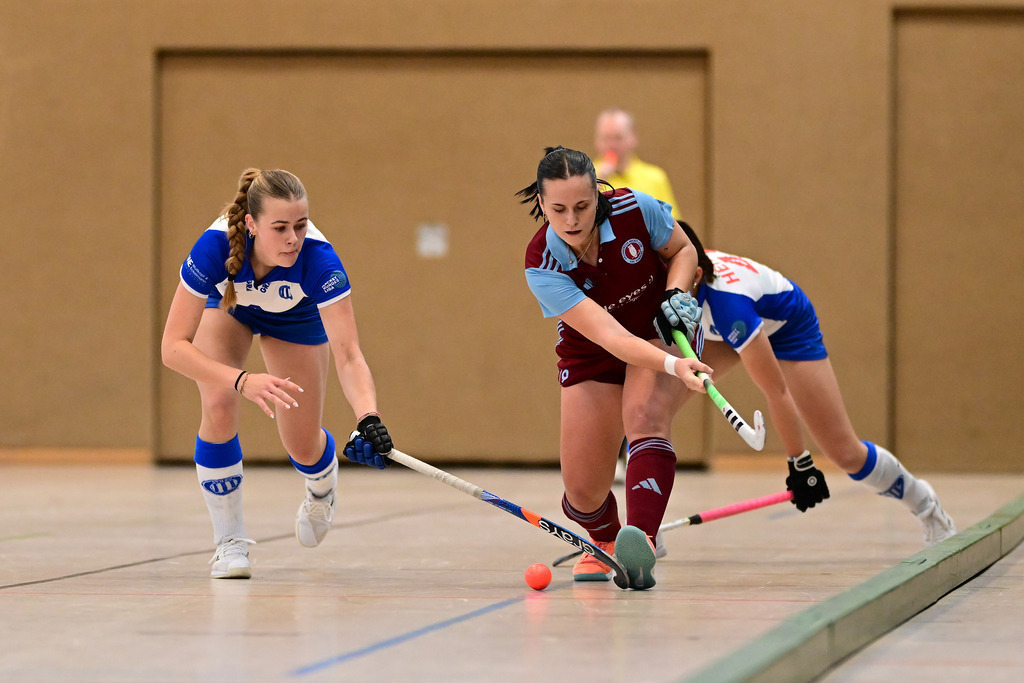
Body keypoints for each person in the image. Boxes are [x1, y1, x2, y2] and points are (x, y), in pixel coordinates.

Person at [161, 168, 395, 579]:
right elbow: (172, 348)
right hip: (229, 306)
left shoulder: (320, 262)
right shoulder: (214, 247)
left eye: (301, 225)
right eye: (281, 228)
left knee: (302, 446)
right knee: (218, 402)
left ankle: (321, 484)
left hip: (296, 317)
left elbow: (349, 355)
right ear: (251, 224)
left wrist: (368, 416)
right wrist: (242, 380)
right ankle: (230, 541)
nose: (293, 239)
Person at [674, 222, 957, 546]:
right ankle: (647, 526)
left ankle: (924, 503)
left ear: (695, 275)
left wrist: (799, 462)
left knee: (845, 453)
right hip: (731, 323)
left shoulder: (729, 305)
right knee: (658, 406)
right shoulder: (671, 276)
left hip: (786, 328)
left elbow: (776, 390)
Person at [518, 146, 712, 590]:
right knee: (582, 493)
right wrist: (673, 365)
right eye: (559, 209)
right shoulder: (542, 262)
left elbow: (684, 250)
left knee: (644, 416)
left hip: (659, 328)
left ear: (598, 196)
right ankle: (607, 542)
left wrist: (676, 294)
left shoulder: (636, 209)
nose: (572, 220)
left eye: (583, 206)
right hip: (595, 350)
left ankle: (640, 545)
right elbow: (612, 339)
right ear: (542, 203)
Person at [594, 108, 682, 221]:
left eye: (618, 138)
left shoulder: (654, 178)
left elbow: (672, 222)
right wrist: (596, 183)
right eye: (606, 138)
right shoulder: (586, 177)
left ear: (633, 138)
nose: (612, 145)